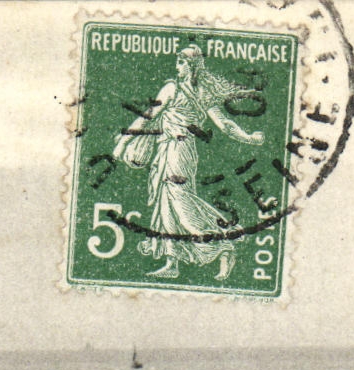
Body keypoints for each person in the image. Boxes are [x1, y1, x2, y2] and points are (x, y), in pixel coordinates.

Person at [113, 45, 264, 280]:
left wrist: (248, 137)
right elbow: (148, 116)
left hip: (180, 150)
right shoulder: (173, 88)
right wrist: (124, 140)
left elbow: (224, 124)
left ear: (192, 66)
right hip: (166, 150)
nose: (177, 67)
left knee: (181, 203)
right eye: (177, 62)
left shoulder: (194, 92)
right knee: (166, 205)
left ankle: (223, 246)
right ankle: (172, 262)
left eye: (182, 63)